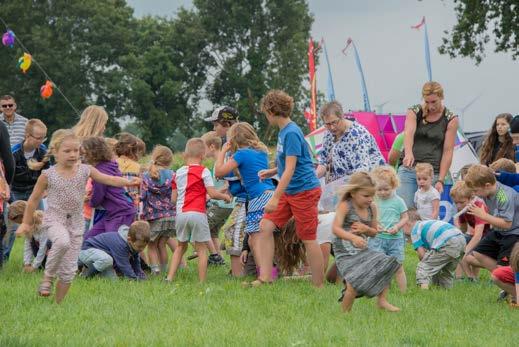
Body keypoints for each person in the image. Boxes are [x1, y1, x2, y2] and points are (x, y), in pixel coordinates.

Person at [16, 129, 140, 303]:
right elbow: (32, 201)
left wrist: (128, 182)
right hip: (55, 219)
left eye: (76, 150)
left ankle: (57, 305)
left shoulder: (85, 170)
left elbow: (109, 179)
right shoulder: (47, 175)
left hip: (76, 223)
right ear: (55, 152)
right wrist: (26, 223)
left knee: (69, 271)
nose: (73, 154)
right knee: (61, 241)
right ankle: (47, 278)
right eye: (67, 151)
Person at [258, 90, 324, 287]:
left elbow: (292, 168)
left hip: (304, 191)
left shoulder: (292, 132)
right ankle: (265, 277)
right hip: (290, 190)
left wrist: (275, 198)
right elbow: (287, 163)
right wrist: (272, 171)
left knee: (308, 237)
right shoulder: (284, 131)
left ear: (271, 111)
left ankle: (318, 286)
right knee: (266, 227)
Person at [214, 122, 275, 281]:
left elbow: (219, 172)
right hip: (270, 194)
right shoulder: (261, 151)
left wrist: (222, 152)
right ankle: (268, 275)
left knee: (256, 239)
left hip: (258, 198)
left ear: (233, 139)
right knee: (257, 238)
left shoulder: (241, 154)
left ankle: (264, 277)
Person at [332, 172, 400, 312]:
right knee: (353, 283)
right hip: (344, 251)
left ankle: (382, 300)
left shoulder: (372, 207)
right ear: (353, 193)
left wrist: (366, 229)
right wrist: (353, 238)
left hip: (362, 248)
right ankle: (344, 314)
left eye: (372, 195)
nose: (370, 199)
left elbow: (374, 232)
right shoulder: (346, 205)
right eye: (366, 196)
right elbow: (335, 229)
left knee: (386, 262)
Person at [166, 138, 231, 283]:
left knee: (180, 246)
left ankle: (169, 278)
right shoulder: (204, 171)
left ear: (185, 154)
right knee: (202, 249)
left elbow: (173, 199)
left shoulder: (178, 173)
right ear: (202, 155)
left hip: (181, 214)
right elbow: (213, 194)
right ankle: (201, 282)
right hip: (198, 213)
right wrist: (225, 197)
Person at [397, 81, 459, 208]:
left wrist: (441, 179)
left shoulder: (451, 118)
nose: (430, 106)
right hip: (409, 169)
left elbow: (448, 151)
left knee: (426, 213)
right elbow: (408, 133)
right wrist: (408, 153)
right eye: (427, 102)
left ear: (441, 97)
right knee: (405, 210)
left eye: (434, 102)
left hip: (432, 172)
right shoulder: (414, 111)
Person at [3, 119, 49, 261]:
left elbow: (48, 172)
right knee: (10, 227)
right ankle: (4, 258)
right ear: (27, 136)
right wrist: (9, 199)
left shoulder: (43, 151)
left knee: (40, 224)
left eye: (44, 137)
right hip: (16, 191)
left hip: (35, 192)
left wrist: (46, 189)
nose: (41, 141)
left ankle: (39, 260)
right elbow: (6, 176)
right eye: (38, 138)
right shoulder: (13, 153)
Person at [464, 165, 519, 271]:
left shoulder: (503, 196)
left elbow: (507, 224)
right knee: (478, 253)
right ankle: (504, 279)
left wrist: (484, 215)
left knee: (502, 267)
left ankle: (507, 281)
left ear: (487, 185)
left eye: (475, 191)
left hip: (513, 233)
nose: (474, 194)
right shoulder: (486, 192)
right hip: (499, 231)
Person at [81, 137, 136, 241]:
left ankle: (130, 258)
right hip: (115, 212)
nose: (83, 157)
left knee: (113, 243)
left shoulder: (99, 171)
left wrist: (91, 201)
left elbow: (99, 195)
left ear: (93, 153)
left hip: (120, 212)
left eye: (85, 153)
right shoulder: (110, 165)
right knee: (88, 240)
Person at [315, 101, 385, 183]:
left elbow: (362, 169)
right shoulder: (328, 134)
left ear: (342, 116)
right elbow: (324, 161)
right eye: (327, 124)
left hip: (370, 182)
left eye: (334, 122)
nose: (332, 127)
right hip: (345, 183)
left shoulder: (357, 134)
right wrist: (313, 178)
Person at [368, 166, 409, 293]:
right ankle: (379, 290)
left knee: (398, 267)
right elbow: (368, 217)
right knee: (378, 266)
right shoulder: (373, 201)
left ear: (394, 186)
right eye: (379, 189)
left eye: (386, 189)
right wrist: (375, 225)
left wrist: (397, 227)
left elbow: (405, 217)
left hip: (395, 240)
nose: (383, 192)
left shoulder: (398, 201)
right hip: (377, 239)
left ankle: (404, 292)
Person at [140, 146, 176, 275]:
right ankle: (164, 270)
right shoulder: (173, 174)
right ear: (170, 161)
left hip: (154, 216)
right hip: (171, 216)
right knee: (162, 244)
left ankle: (155, 271)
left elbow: (142, 196)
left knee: (152, 245)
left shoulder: (146, 176)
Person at [407, 209, 466, 289]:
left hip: (447, 242)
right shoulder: (426, 224)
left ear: (406, 224)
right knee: (446, 272)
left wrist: (427, 263)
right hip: (461, 239)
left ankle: (424, 293)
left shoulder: (415, 230)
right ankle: (446, 292)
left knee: (423, 267)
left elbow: (422, 255)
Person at [79, 221, 150, 280]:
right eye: (140, 246)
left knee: (114, 281)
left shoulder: (134, 245)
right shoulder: (120, 244)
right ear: (129, 240)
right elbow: (124, 265)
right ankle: (86, 276)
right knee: (106, 260)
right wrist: (134, 279)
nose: (142, 249)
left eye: (144, 247)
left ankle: (90, 270)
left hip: (101, 258)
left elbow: (136, 264)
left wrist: (142, 277)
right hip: (87, 250)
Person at [201, 131, 231, 266]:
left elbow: (228, 183)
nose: (202, 151)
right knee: (213, 232)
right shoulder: (217, 162)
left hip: (222, 205)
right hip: (221, 204)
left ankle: (215, 257)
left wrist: (212, 194)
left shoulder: (222, 161)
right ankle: (220, 258)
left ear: (212, 147)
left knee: (202, 226)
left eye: (204, 147)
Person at [450, 181, 489, 281]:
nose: (458, 206)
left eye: (461, 202)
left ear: (471, 198)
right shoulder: (463, 208)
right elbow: (462, 228)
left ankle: (473, 277)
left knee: (467, 255)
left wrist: (466, 250)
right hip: (476, 235)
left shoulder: (478, 206)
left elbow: (478, 235)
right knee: (458, 246)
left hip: (488, 237)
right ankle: (459, 277)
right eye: (456, 202)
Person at [8, 200, 49, 272]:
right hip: (45, 252)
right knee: (31, 242)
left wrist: (34, 266)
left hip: (58, 252)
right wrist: (27, 263)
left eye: (18, 222)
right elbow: (28, 246)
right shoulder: (28, 226)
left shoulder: (43, 223)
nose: (19, 224)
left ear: (23, 216)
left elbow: (43, 247)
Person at [114, 132, 144, 208]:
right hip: (132, 204)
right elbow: (141, 189)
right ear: (134, 150)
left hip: (115, 201)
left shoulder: (113, 163)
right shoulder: (137, 166)